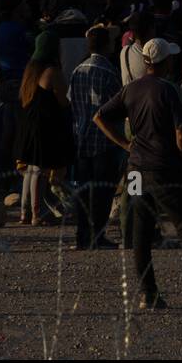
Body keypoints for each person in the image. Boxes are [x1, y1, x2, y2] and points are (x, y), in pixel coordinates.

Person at [94, 38, 182, 310]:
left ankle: (148, 294)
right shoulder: (168, 90)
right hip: (165, 168)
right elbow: (181, 132)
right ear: (166, 62)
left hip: (137, 169)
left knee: (141, 230)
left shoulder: (130, 90)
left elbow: (99, 116)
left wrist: (126, 145)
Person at [68, 25, 123, 250]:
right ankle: (97, 236)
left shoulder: (77, 71)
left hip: (81, 139)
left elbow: (71, 102)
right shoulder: (109, 72)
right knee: (102, 193)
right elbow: (118, 107)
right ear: (106, 45)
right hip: (104, 140)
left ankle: (82, 236)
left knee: (83, 192)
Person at [14, 30, 74, 226]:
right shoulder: (52, 71)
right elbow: (63, 99)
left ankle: (24, 212)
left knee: (31, 169)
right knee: (39, 170)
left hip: (28, 124)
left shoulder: (30, 70)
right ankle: (36, 214)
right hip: (44, 127)